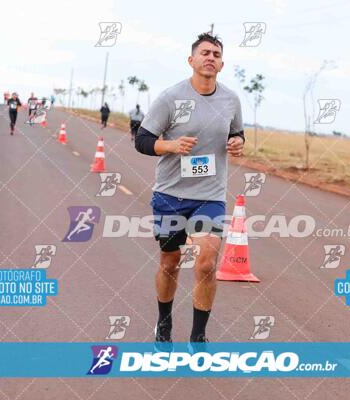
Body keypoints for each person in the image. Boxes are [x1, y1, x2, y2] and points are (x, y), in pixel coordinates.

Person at [134, 33, 245, 345]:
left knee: (207, 262)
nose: (211, 57)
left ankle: (198, 337)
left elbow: (236, 132)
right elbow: (141, 140)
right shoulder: (170, 98)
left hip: (209, 196)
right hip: (170, 195)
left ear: (221, 64)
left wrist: (238, 142)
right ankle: (164, 323)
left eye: (216, 54)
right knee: (170, 262)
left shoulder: (231, 100)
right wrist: (170, 145)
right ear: (191, 60)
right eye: (205, 52)